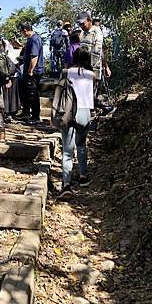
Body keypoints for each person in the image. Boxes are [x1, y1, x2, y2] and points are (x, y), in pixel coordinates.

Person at [59, 47, 95, 199]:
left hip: (68, 112)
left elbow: (59, 92)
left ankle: (66, 184)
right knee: (81, 145)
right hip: (84, 112)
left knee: (67, 150)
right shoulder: (91, 75)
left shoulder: (66, 72)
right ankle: (83, 176)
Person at [20, 22, 44, 122]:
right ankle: (27, 113)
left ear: (25, 30)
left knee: (32, 94)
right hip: (31, 70)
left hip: (34, 71)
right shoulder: (31, 39)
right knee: (30, 92)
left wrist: (30, 70)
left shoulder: (34, 39)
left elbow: (34, 56)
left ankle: (35, 116)